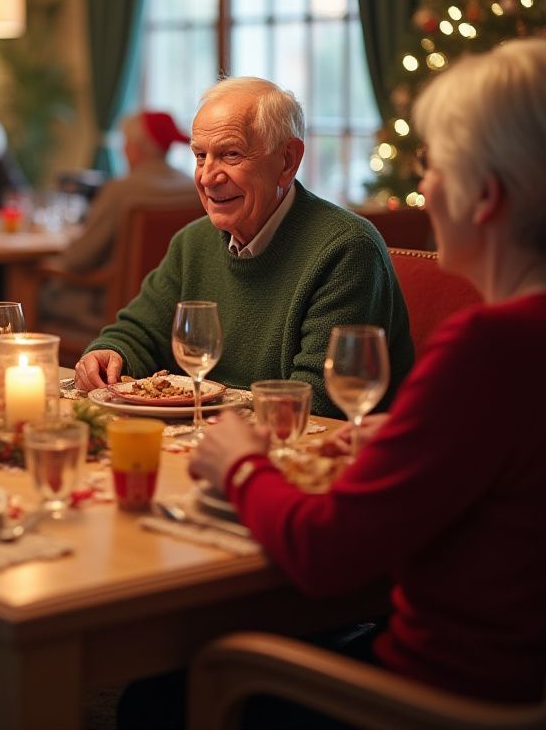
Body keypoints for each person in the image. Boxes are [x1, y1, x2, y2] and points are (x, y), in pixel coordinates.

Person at [190, 38, 546, 706]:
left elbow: (323, 557)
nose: (424, 188)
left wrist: (239, 464)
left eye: (435, 167)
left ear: (486, 196)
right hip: (517, 679)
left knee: (168, 690)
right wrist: (403, 441)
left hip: (435, 698)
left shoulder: (488, 348)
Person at [75, 76, 413, 416]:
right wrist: (111, 353)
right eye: (200, 156)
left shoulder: (347, 250)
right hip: (212, 437)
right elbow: (139, 331)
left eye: (231, 154)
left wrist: (218, 420)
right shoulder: (193, 242)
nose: (207, 177)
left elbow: (318, 403)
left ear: (287, 161)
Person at [39, 111, 199, 330]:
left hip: (114, 309)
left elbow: (79, 259)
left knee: (33, 285)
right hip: (173, 308)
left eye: (125, 143)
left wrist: (48, 263)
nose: (123, 149)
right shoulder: (193, 189)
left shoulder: (120, 191)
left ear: (136, 148)